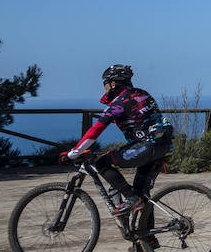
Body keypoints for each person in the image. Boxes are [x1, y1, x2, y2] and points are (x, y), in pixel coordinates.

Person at [63, 65, 174, 217]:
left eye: (105, 84)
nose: (104, 88)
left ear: (113, 84)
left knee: (102, 163)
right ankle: (148, 238)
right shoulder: (143, 94)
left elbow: (96, 129)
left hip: (147, 147)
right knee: (143, 195)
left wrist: (75, 152)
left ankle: (131, 198)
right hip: (165, 145)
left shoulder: (119, 103)